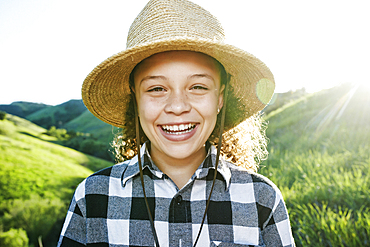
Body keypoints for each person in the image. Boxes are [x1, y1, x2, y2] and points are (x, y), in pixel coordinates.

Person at [58, 0, 295, 246]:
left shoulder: (262, 199)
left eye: (198, 87)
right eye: (157, 88)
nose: (178, 106)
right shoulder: (93, 197)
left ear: (220, 98)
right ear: (136, 99)